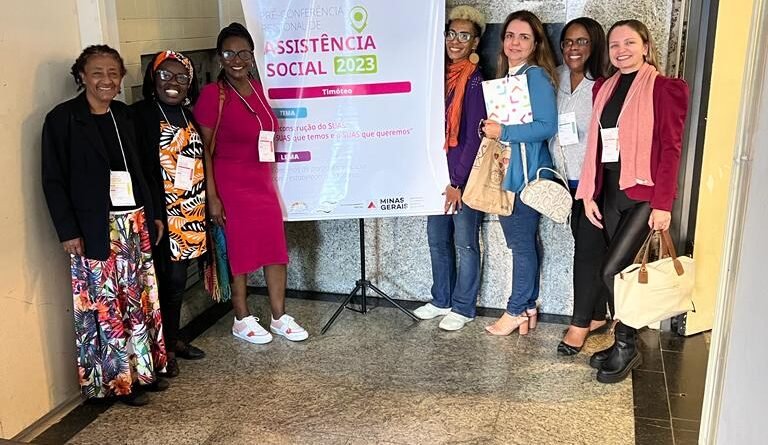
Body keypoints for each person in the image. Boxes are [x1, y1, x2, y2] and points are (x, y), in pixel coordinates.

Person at [42, 45, 168, 406]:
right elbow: (53, 180)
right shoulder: (63, 119)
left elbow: (144, 169)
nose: (106, 80)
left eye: (113, 73)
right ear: (82, 76)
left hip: (134, 224)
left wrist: (155, 213)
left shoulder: (124, 115)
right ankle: (117, 382)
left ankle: (144, 371)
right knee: (106, 308)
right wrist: (68, 231)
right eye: (97, 72)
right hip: (94, 229)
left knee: (139, 301)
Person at [575, 20, 689, 383]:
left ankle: (627, 346)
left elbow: (671, 149)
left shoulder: (665, 88)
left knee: (611, 272)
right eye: (614, 45)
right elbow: (596, 146)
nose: (621, 50)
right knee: (620, 273)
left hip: (643, 195)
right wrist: (589, 193)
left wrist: (663, 204)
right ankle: (621, 342)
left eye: (629, 43)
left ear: (645, 46)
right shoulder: (604, 88)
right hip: (610, 191)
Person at [194, 23, 308, 344]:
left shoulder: (257, 88)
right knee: (240, 252)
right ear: (219, 57)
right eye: (229, 53)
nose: (237, 60)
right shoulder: (213, 95)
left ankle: (279, 316)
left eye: (244, 53)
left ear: (252, 56)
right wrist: (213, 197)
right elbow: (203, 150)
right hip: (231, 185)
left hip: (262, 184)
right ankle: (241, 318)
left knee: (275, 249)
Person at [482, 10, 558, 336]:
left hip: (524, 176)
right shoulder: (510, 76)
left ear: (536, 43)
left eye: (524, 37)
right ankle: (527, 307)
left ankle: (515, 310)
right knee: (524, 241)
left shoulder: (534, 76)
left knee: (521, 244)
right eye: (510, 35)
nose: (515, 42)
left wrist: (503, 132)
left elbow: (546, 126)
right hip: (510, 170)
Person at [132, 50, 207, 378]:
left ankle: (173, 340)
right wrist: (152, 212)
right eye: (165, 75)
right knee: (163, 282)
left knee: (177, 281)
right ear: (153, 78)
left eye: (181, 77)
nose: (173, 83)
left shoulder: (190, 116)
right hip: (162, 214)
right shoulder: (141, 116)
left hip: (191, 212)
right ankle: (160, 350)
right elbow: (138, 169)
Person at [412, 6, 487, 331]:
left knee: (465, 244)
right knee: (437, 240)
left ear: (475, 42)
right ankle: (441, 299)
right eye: (451, 33)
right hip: (437, 177)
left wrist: (457, 181)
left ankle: (463, 307)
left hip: (462, 179)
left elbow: (474, 136)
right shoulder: (438, 76)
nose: (455, 41)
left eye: (464, 36)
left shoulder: (475, 80)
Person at [550, 18, 611, 355]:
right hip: (564, 181)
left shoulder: (603, 83)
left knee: (586, 254)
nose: (573, 48)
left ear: (594, 44)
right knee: (590, 248)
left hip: (594, 184)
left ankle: (579, 324)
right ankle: (598, 315)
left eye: (582, 41)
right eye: (568, 42)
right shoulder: (555, 76)